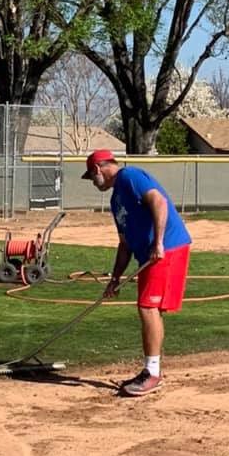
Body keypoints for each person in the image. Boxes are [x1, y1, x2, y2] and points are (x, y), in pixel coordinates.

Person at [81, 149, 192, 397]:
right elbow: (125, 244)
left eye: (91, 176)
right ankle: (152, 369)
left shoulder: (130, 176)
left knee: (148, 307)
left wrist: (159, 242)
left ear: (98, 168)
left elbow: (159, 202)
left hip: (168, 248)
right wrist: (115, 279)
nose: (93, 182)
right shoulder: (115, 200)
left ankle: (152, 373)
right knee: (149, 308)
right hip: (148, 254)